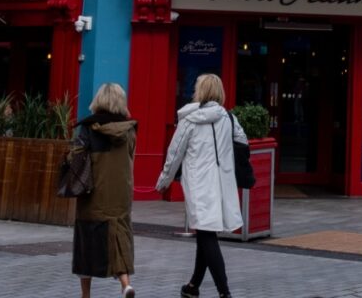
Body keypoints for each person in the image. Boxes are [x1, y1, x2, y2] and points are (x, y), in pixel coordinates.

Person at [156, 74, 247, 298]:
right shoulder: (228, 118)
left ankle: (224, 293)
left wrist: (163, 181)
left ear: (200, 92)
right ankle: (193, 286)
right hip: (222, 185)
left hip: (199, 185)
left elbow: (175, 153)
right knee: (205, 234)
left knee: (207, 236)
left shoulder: (189, 120)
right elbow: (243, 141)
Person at [72, 83, 138, 298]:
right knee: (119, 235)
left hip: (93, 191)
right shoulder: (128, 130)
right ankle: (125, 284)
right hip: (120, 191)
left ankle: (86, 295)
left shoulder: (88, 128)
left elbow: (76, 158)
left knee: (87, 239)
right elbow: (130, 160)